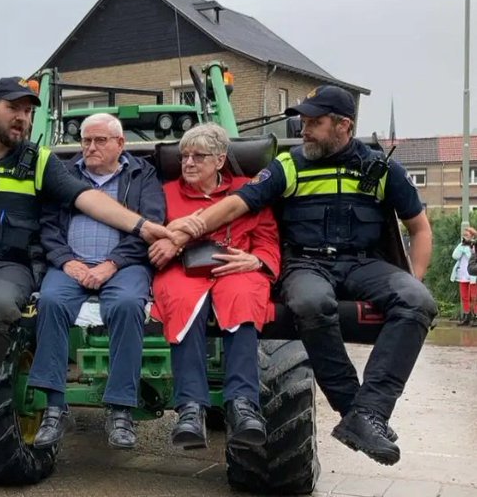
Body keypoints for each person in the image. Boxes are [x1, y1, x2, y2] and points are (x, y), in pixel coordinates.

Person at [0, 76, 171, 476]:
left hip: (8, 267)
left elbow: (87, 198)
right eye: (15, 109)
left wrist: (141, 227)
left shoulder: (41, 161)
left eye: (28, 112)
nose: (23, 118)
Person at [167, 84, 437, 466]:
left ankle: (370, 413)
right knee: (312, 303)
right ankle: (352, 410)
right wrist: (187, 229)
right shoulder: (289, 165)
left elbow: (420, 229)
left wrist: (415, 279)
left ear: (344, 125)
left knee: (418, 301)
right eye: (304, 120)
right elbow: (235, 205)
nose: (304, 128)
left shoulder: (383, 170)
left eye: (315, 122)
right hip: (306, 264)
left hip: (364, 264)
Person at [27, 113, 165, 451]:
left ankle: (120, 410)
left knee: (127, 304)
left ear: (121, 144)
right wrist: (67, 261)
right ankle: (54, 408)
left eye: (100, 140)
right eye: (86, 140)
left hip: (124, 265)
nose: (91, 147)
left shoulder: (142, 175)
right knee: (51, 302)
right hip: (71, 265)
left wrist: (111, 264)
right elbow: (48, 226)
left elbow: (152, 223)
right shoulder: (64, 174)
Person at [148, 124, 280, 452]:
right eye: (184, 157)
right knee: (180, 300)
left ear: (220, 160)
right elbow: (149, 235)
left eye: (198, 156)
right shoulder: (164, 194)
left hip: (236, 268)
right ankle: (190, 409)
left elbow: (267, 239)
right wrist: (171, 234)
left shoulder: (248, 191)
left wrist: (256, 261)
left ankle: (243, 405)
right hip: (183, 270)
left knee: (243, 295)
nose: (188, 163)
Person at [450, 225, 477, 325]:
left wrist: (468, 249)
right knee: (464, 296)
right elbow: (455, 256)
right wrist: (462, 246)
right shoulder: (462, 245)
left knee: (474, 296)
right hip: (463, 274)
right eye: (464, 235)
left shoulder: (474, 245)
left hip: (473, 274)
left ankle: (476, 316)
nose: (465, 236)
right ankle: (467, 316)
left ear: (472, 236)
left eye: (467, 235)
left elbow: (472, 257)